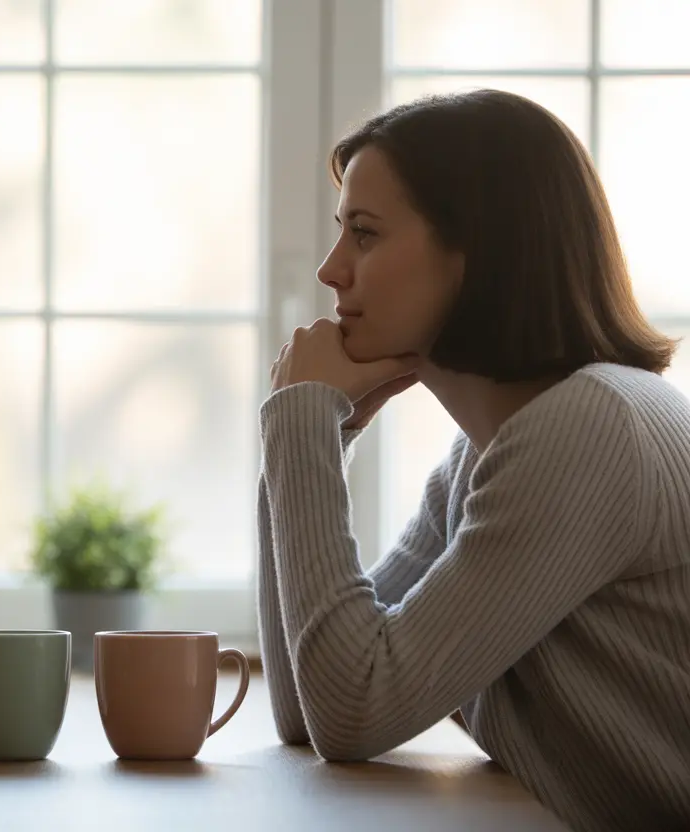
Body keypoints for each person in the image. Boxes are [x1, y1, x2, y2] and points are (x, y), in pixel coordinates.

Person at [257, 89, 690, 832]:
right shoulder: (486, 456)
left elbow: (352, 707)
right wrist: (314, 438)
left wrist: (301, 423)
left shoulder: (586, 431)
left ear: (478, 254)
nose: (331, 271)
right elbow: (311, 697)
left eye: (363, 234)